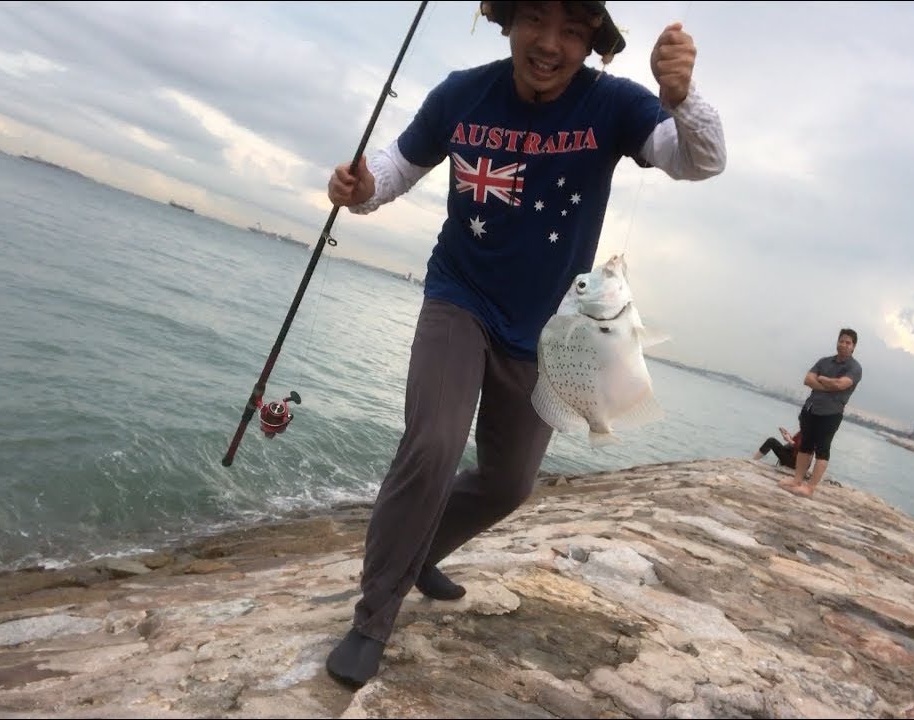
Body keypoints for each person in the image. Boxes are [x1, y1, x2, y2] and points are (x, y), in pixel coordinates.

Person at [321, 0, 727, 688]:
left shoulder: (615, 106)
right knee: (433, 443)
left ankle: (423, 553)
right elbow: (391, 169)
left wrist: (683, 99)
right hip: (459, 297)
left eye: (573, 30)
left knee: (510, 483)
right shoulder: (462, 94)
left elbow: (700, 161)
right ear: (507, 22)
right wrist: (358, 189)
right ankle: (372, 616)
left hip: (546, 328)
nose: (550, 44)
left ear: (592, 42)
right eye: (535, 20)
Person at [780, 329, 863, 498]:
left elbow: (841, 385)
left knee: (822, 450)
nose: (844, 345)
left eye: (848, 342)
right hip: (811, 408)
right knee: (805, 446)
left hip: (831, 413)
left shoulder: (854, 368)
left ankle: (810, 487)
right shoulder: (824, 361)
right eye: (842, 341)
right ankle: (797, 480)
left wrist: (823, 379)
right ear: (837, 342)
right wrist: (829, 385)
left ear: (853, 346)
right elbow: (807, 380)